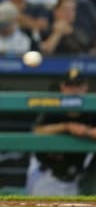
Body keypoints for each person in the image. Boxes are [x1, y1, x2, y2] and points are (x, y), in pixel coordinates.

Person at [26, 68, 95, 196]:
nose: (74, 91)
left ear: (85, 87)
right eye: (70, 86)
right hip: (46, 176)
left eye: (78, 86)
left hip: (74, 180)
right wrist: (66, 126)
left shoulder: (91, 110)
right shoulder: (54, 107)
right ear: (62, 87)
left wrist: (85, 131)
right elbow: (37, 131)